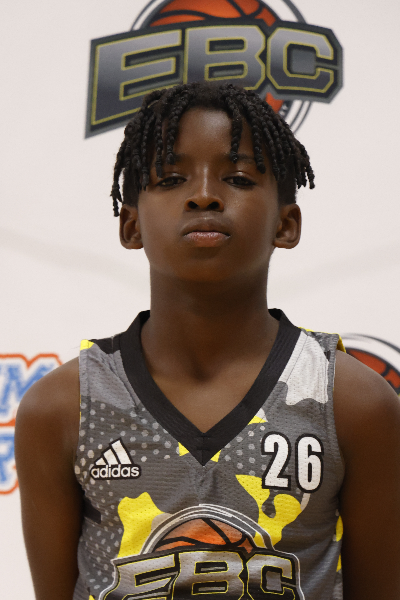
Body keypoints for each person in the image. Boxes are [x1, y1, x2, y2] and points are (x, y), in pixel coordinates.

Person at [15, 82, 400, 600]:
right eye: (171, 179)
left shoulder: (351, 401)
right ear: (130, 225)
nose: (203, 194)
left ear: (286, 224)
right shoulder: (63, 407)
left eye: (237, 178)